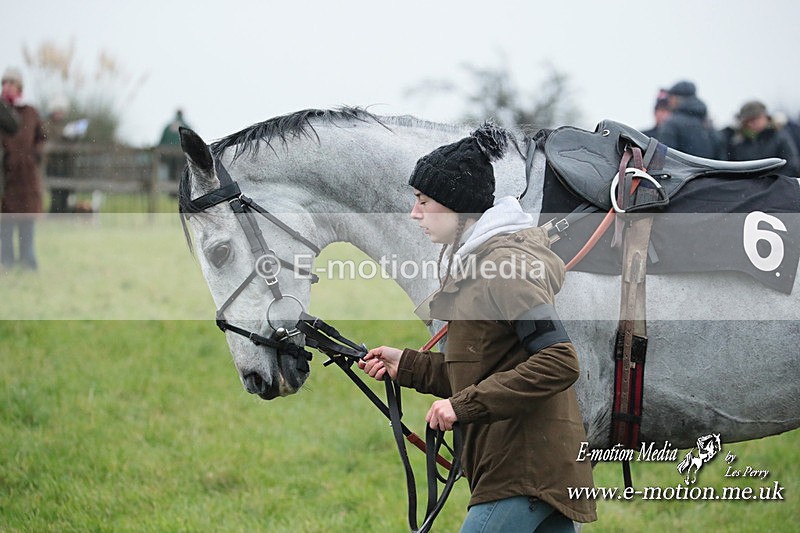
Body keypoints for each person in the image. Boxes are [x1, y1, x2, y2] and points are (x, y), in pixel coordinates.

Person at [358, 124, 596, 531]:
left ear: (456, 204)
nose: (415, 213)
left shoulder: (505, 269)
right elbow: (482, 364)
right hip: (529, 468)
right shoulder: (476, 265)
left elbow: (559, 361)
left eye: (423, 200)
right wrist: (407, 366)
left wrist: (460, 406)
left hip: (522, 471)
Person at [1, 67, 45, 271]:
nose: (6, 87)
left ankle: (28, 264)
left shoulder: (30, 112)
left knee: (26, 226)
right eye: (4, 83)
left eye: (11, 83)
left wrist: (34, 155)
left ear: (19, 87)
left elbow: (42, 138)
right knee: (5, 226)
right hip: (6, 178)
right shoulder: (2, 114)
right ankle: (6, 264)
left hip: (27, 179)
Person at [723, 101, 799, 177]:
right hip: (746, 185)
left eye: (756, 118)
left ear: (765, 117)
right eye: (749, 120)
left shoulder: (779, 137)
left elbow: (791, 165)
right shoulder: (736, 142)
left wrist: (772, 181)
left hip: (775, 185)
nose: (753, 123)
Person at [657, 80, 720, 158]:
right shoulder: (708, 124)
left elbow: (664, 158)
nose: (669, 101)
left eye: (671, 97)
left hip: (680, 169)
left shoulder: (672, 124)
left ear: (677, 98)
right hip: (708, 170)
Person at [158, 108, 192, 181]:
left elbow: (161, 143)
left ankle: (171, 184)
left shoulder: (168, 127)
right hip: (183, 156)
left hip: (169, 155)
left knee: (171, 170)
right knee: (182, 170)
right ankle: (180, 184)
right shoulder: (187, 127)